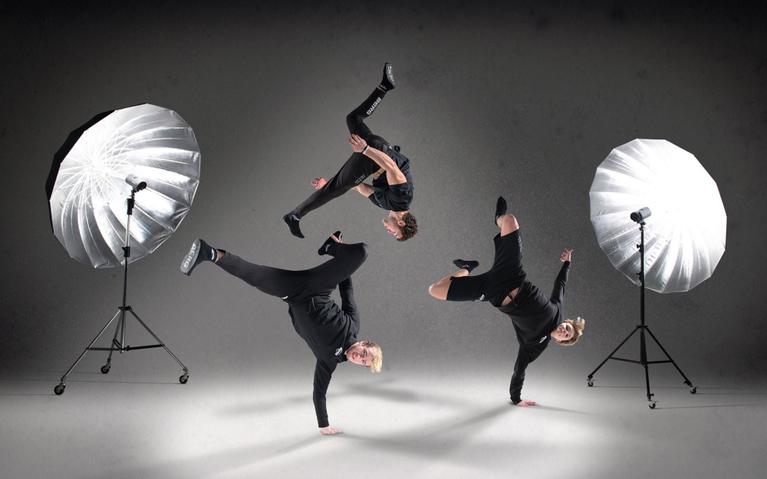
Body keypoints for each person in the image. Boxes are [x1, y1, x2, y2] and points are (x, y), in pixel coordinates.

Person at [179, 232, 382, 435]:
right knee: (361, 251)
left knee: (254, 276)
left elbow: (319, 392)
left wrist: (324, 425)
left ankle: (209, 252)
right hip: (319, 287)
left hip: (293, 293)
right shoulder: (353, 326)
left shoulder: (328, 361)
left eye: (363, 362)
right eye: (365, 353)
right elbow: (347, 292)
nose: (360, 357)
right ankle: (332, 247)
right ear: (363, 343)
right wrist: (342, 257)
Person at [427, 197, 585, 406]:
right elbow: (561, 285)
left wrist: (516, 398)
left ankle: (467, 267)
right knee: (510, 220)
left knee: (434, 290)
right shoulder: (556, 311)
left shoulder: (537, 343)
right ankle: (497, 219)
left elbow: (520, 368)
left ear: (560, 341)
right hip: (512, 274)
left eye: (566, 335)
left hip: (492, 292)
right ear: (567, 323)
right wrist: (567, 264)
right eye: (568, 328)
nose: (565, 331)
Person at [283, 63, 417, 241]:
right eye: (394, 233)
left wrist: (327, 185)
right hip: (375, 154)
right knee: (338, 186)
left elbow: (359, 186)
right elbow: (391, 167)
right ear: (401, 223)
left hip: (377, 147)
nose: (389, 232)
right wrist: (365, 149)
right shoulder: (402, 200)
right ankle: (295, 215)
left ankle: (384, 86)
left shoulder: (384, 203)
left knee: (353, 119)